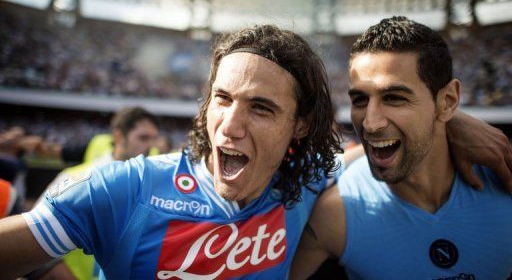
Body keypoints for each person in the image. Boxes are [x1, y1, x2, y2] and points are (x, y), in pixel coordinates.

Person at [0, 25, 510, 279]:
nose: (232, 125)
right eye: (222, 99)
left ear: (300, 125)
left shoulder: (307, 184)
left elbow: (378, 144)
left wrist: (451, 121)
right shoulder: (124, 189)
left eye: (262, 109)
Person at [290, 17, 512, 279]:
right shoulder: (335, 215)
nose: (370, 124)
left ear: (448, 101)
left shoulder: (503, 181)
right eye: (360, 100)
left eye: (394, 98)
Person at [32, 106, 160, 280]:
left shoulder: (153, 185)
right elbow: (33, 240)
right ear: (119, 136)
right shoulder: (73, 179)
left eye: (154, 138)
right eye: (143, 138)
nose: (151, 146)